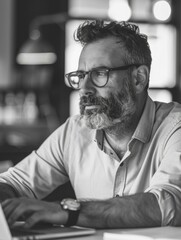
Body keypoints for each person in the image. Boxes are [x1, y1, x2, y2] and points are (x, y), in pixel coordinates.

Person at [0, 19, 181, 229]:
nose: (85, 88)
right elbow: (13, 183)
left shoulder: (175, 128)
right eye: (81, 75)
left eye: (100, 74)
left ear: (138, 79)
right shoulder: (74, 132)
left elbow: (167, 204)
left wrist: (68, 211)